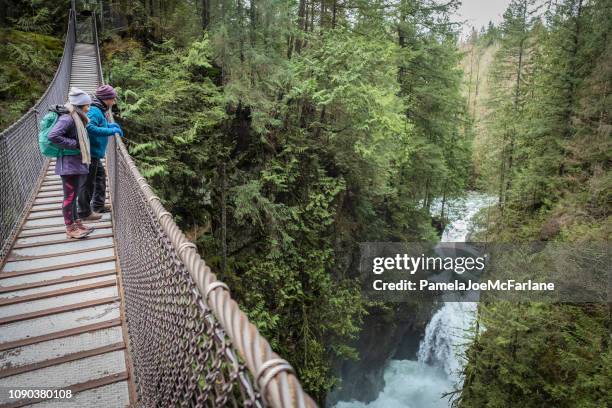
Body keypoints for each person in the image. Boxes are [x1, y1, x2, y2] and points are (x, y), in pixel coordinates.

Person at [47, 87, 95, 239]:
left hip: (75, 163)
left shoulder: (77, 116)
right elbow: (53, 136)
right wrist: (75, 144)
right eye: (87, 105)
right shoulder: (68, 118)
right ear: (80, 105)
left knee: (73, 196)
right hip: (69, 165)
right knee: (69, 197)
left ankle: (76, 222)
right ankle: (70, 228)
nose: (89, 107)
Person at [78, 84, 123, 220]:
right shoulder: (94, 110)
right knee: (87, 183)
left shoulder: (100, 109)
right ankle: (84, 213)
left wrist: (109, 125)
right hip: (90, 153)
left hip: (95, 153)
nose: (113, 102)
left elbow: (99, 125)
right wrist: (111, 131)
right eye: (112, 99)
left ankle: (98, 205)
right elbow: (89, 127)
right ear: (105, 98)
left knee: (100, 178)